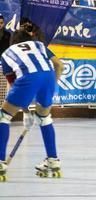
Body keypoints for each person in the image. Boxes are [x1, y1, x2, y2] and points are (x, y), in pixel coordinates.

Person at [0, 30, 64, 181]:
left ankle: (0, 162)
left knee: (4, 116)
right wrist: (50, 87)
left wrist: (26, 112)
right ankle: (52, 161)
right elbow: (60, 66)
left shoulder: (6, 53)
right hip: (49, 77)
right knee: (45, 118)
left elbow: (15, 85)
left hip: (28, 78)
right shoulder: (39, 45)